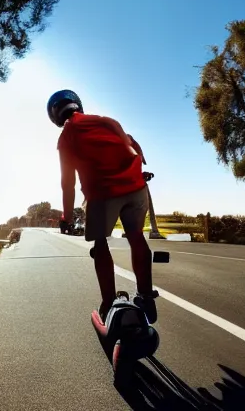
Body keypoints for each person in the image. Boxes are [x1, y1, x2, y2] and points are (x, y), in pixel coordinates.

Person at [47, 89, 158, 323]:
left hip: (103, 194)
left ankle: (108, 305)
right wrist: (138, 174)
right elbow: (133, 147)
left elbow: (68, 184)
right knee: (136, 237)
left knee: (100, 245)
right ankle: (146, 297)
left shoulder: (66, 138)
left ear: (56, 116)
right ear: (78, 105)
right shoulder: (106, 121)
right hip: (135, 190)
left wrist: (67, 217)